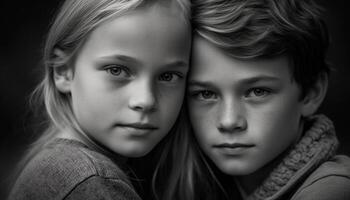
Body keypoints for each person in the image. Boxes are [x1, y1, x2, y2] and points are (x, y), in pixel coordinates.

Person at [156, 0, 350, 199]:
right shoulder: (186, 180)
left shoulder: (333, 191)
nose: (229, 121)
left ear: (311, 93)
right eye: (206, 94)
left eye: (257, 92)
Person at [8, 0, 191, 199]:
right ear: (63, 72)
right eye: (116, 70)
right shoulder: (92, 183)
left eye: (168, 76)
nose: (146, 100)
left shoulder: (60, 167)